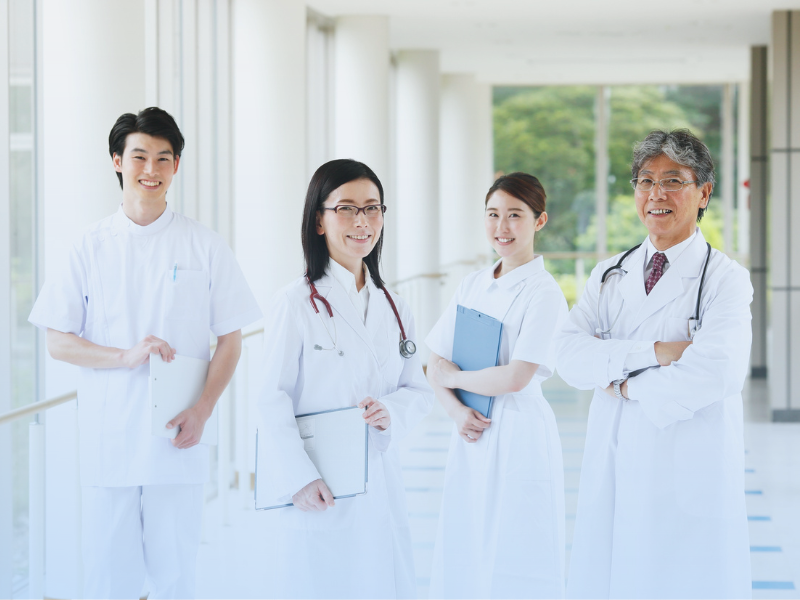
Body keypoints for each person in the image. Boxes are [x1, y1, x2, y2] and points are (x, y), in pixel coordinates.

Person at [28, 107, 262, 599]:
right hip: (109, 438)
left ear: (177, 165)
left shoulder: (204, 245)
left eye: (163, 158)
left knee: (176, 576)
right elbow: (57, 341)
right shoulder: (87, 247)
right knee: (108, 579)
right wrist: (124, 356)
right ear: (117, 161)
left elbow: (231, 339)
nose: (151, 170)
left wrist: (203, 410)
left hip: (178, 436)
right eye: (139, 157)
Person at [555, 129, 753, 599]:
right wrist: (655, 353)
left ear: (704, 192)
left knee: (683, 579)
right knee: (616, 576)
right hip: (614, 461)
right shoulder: (609, 273)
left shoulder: (724, 280)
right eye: (645, 181)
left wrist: (622, 383)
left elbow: (715, 373)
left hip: (687, 468)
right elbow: (567, 354)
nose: (656, 194)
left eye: (673, 181)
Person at [256, 158, 434, 599]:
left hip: (378, 477)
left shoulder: (395, 305)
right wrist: (298, 476)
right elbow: (269, 398)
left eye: (373, 208)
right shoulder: (295, 302)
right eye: (347, 209)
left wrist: (389, 410)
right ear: (319, 220)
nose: (362, 221)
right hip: (318, 481)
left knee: (380, 580)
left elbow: (418, 389)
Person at [425, 172, 568, 599]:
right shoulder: (473, 283)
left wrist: (452, 378)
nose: (501, 227)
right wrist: (455, 411)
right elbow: (433, 358)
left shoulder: (544, 293)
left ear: (539, 221)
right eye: (493, 215)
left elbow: (516, 375)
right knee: (467, 539)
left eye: (514, 216)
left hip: (518, 428)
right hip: (470, 426)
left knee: (518, 545)